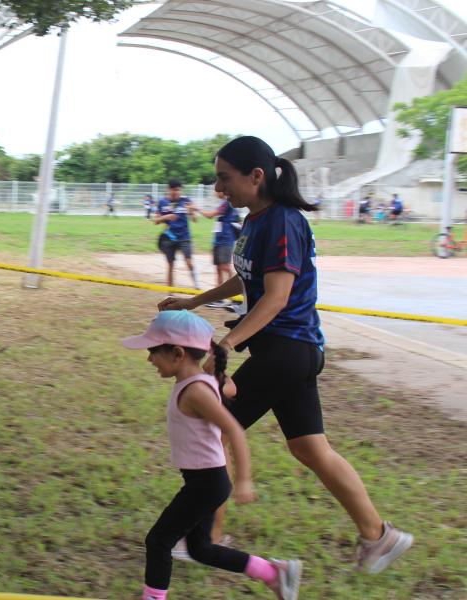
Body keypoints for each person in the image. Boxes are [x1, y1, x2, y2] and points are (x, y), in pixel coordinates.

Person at [158, 135, 412, 575]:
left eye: (225, 178)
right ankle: (379, 536)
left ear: (256, 176)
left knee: (213, 429)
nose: (219, 189)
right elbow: (246, 278)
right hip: (292, 352)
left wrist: (226, 345)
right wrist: (193, 302)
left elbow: (276, 298)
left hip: (287, 351)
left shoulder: (282, 222)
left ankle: (205, 538)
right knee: (310, 448)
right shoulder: (257, 220)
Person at [122, 310, 302, 600]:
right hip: (207, 482)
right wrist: (219, 376)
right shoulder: (204, 382)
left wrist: (244, 480)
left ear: (178, 353)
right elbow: (230, 387)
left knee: (158, 541)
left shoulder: (196, 391)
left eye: (153, 351)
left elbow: (235, 430)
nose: (149, 359)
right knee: (200, 548)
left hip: (206, 484)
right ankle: (273, 573)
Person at [154, 179, 199, 289]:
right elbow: (156, 221)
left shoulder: (186, 201)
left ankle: (196, 286)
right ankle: (170, 292)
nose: (177, 192)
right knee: (170, 265)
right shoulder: (162, 202)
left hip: (184, 237)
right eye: (174, 190)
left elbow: (195, 220)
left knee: (189, 262)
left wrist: (191, 211)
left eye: (179, 190)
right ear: (168, 189)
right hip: (170, 237)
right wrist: (167, 217)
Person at [197, 191, 240, 302]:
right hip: (218, 240)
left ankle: (236, 294)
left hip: (225, 240)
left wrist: (196, 208)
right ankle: (218, 298)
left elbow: (210, 215)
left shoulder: (227, 203)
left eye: (217, 190)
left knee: (225, 267)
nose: (215, 191)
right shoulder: (224, 203)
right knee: (218, 269)